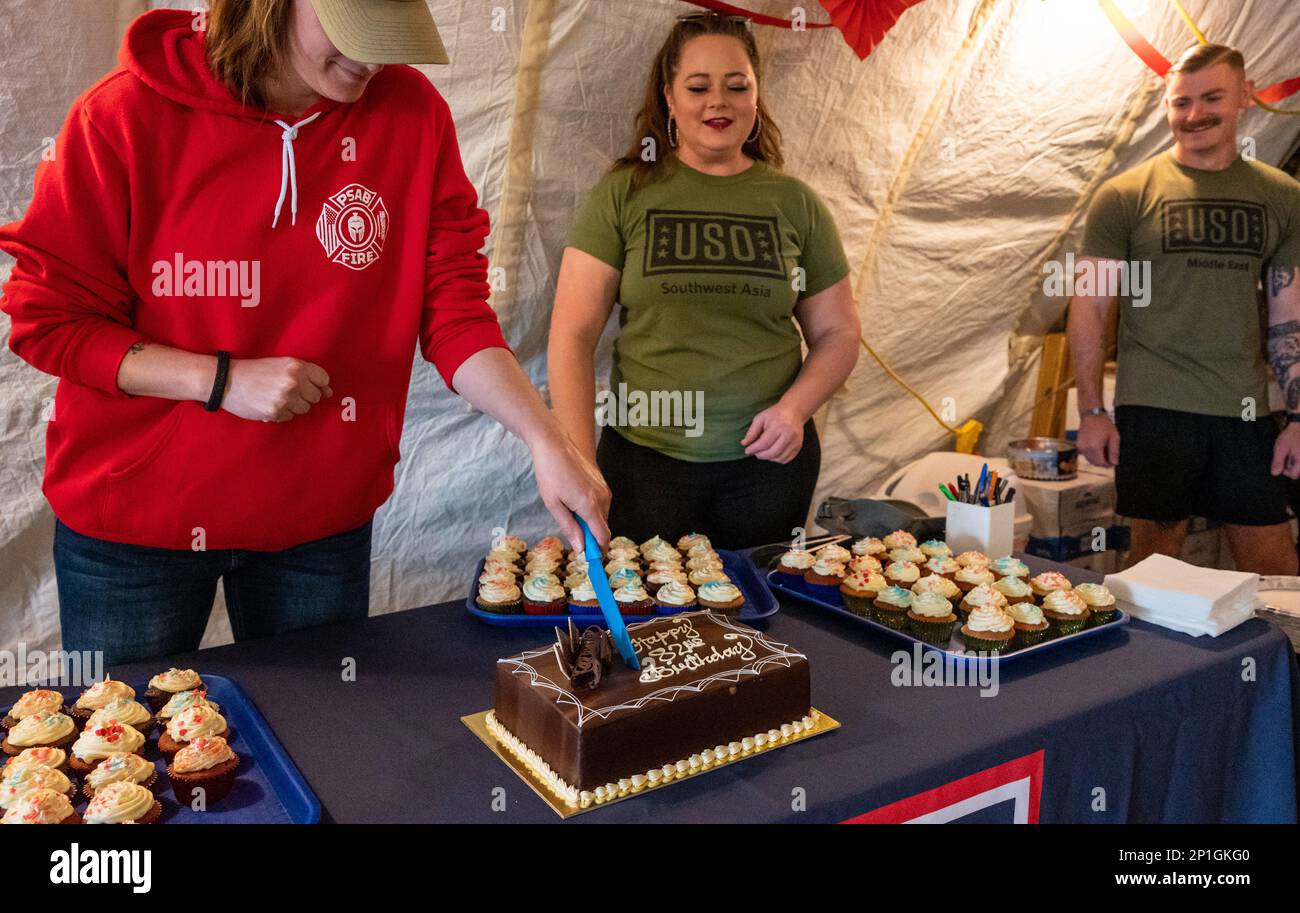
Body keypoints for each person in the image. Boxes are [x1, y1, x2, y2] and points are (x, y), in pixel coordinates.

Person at [0, 0, 609, 664]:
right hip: (133, 524)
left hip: (318, 523)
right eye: (356, 31)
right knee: (130, 748)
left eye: (391, 35)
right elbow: (50, 321)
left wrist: (546, 437)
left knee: (317, 745)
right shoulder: (119, 117)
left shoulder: (410, 114)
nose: (375, 57)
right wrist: (220, 379)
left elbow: (456, 314)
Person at [547, 11, 859, 550]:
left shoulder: (794, 203)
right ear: (669, 98)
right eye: (698, 86)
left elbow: (839, 332)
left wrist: (795, 409)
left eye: (737, 86)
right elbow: (572, 335)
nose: (718, 101)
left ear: (756, 98)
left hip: (769, 471)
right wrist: (576, 459)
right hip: (644, 466)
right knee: (652, 628)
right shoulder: (624, 193)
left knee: (760, 626)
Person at [1068, 43, 1300, 574]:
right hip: (1153, 406)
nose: (1194, 115)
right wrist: (1091, 412)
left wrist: (1299, 416)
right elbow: (1090, 305)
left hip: (1244, 409)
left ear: (1245, 96)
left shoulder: (1283, 197)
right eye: (1180, 103)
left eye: (1211, 97)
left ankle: (1275, 661)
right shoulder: (1124, 195)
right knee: (1153, 569)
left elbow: (1290, 315)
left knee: (1275, 571)